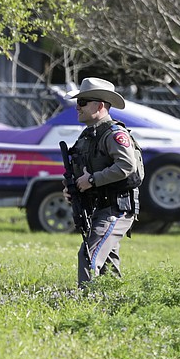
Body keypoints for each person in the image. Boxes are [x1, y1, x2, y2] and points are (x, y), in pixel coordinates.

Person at [64, 77, 144, 286]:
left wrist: (91, 180)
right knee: (109, 267)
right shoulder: (87, 136)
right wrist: (72, 188)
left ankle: (86, 306)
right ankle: (117, 308)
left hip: (116, 208)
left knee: (89, 256)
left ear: (99, 106)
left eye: (82, 102)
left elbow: (127, 166)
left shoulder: (114, 134)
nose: (77, 108)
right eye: (77, 103)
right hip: (99, 208)